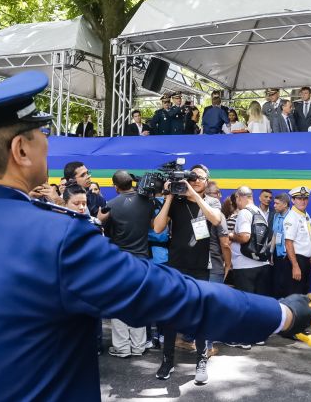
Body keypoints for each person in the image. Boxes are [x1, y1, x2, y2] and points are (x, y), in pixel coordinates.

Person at [0, 71, 311, 400]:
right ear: (21, 149)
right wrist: (280, 314)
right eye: (42, 134)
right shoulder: (56, 239)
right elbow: (173, 298)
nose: (49, 142)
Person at [151, 164, 226, 383]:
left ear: (207, 180)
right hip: (176, 265)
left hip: (201, 266)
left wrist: (194, 195)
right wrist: (169, 198)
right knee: (173, 314)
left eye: (199, 178)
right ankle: (167, 361)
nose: (195, 181)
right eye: (191, 178)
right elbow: (157, 228)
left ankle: (201, 361)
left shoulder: (211, 201)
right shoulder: (177, 201)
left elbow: (216, 220)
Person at [104, 170, 156, 358]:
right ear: (132, 183)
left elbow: (107, 232)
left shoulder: (110, 205)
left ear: (115, 186)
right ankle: (139, 346)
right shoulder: (147, 202)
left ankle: (122, 348)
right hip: (142, 259)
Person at [229, 186, 272, 297]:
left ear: (238, 197)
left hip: (245, 266)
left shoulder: (244, 212)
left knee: (246, 304)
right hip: (262, 263)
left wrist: (231, 235)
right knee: (260, 302)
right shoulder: (260, 212)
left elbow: (244, 237)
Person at [283, 186, 311, 295]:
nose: (303, 201)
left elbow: (307, 239)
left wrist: (310, 259)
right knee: (295, 294)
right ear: (293, 200)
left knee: (304, 293)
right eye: (299, 198)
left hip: (305, 260)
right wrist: (295, 266)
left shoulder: (305, 215)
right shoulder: (292, 217)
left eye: (305, 198)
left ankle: (301, 312)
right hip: (296, 260)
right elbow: (288, 243)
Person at [269, 193, 291, 298]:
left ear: (285, 204)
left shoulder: (292, 217)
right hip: (278, 255)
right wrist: (271, 252)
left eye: (277, 203)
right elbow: (275, 235)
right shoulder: (276, 215)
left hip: (288, 256)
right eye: (274, 203)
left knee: (287, 285)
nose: (274, 205)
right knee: (277, 284)